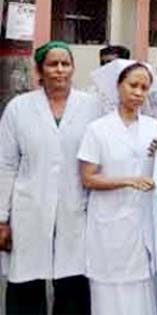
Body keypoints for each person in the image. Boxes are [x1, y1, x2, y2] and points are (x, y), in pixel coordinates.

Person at [0, 41, 103, 314]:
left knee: (74, 282)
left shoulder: (93, 107)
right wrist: (2, 217)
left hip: (77, 207)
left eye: (65, 64)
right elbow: (5, 164)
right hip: (29, 207)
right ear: (39, 70)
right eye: (52, 64)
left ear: (73, 68)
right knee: (26, 280)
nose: (59, 70)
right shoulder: (19, 108)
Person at [77, 60, 157, 315]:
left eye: (144, 87)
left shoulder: (153, 127)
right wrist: (128, 180)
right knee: (109, 292)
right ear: (118, 86)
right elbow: (88, 178)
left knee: (142, 289)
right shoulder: (98, 129)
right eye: (133, 85)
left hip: (142, 222)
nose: (138, 92)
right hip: (108, 224)